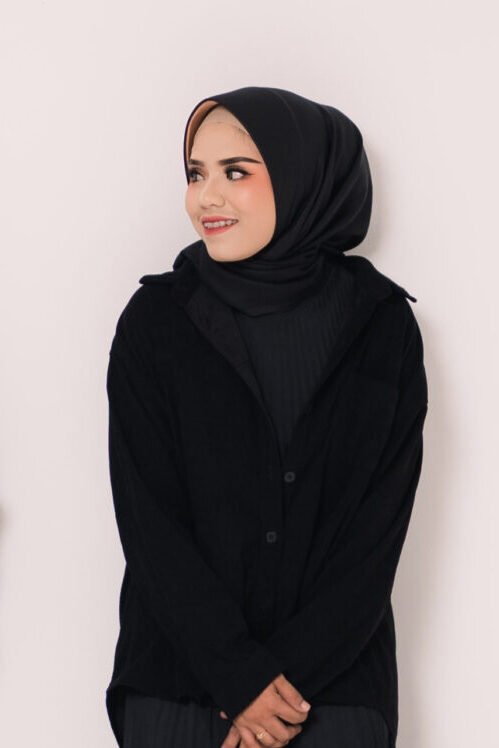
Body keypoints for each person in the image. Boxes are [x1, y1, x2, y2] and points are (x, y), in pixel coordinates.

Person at [105, 86, 428, 748]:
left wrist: (272, 694)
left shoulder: (381, 325)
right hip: (179, 691)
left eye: (235, 172)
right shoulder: (155, 323)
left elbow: (374, 537)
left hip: (332, 700)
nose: (206, 198)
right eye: (195, 173)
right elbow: (150, 524)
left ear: (303, 177)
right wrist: (238, 679)